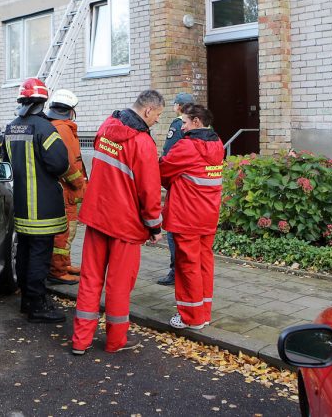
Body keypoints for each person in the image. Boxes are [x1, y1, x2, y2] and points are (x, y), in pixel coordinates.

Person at [72, 90, 166, 354]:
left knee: (90, 279)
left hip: (97, 216)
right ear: (148, 111)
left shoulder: (106, 126)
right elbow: (149, 190)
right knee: (119, 283)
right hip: (124, 223)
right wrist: (154, 227)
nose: (157, 121)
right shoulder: (143, 142)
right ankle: (115, 341)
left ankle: (80, 341)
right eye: (157, 115)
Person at [5, 78, 70, 323]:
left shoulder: (11, 127)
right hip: (42, 209)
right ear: (43, 101)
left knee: (23, 253)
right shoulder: (45, 129)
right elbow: (60, 164)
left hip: (20, 206)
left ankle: (26, 301)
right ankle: (37, 306)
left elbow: (5, 164)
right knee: (40, 257)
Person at [159, 104, 224, 330]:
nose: (182, 127)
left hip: (186, 216)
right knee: (205, 263)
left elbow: (163, 172)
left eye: (185, 122)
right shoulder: (216, 144)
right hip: (208, 216)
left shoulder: (186, 146)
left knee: (187, 266)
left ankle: (191, 317)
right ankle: (204, 313)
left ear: (196, 122)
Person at [45, 89, 88, 286]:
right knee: (65, 232)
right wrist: (80, 184)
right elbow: (68, 164)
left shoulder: (55, 126)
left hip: (62, 190)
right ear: (71, 110)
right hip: (66, 192)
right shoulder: (63, 129)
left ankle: (65, 264)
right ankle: (58, 271)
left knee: (68, 232)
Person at [157, 92, 195, 287]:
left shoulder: (178, 123)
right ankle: (189, 271)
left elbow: (169, 153)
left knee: (173, 230)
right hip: (197, 189)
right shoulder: (205, 126)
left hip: (179, 184)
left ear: (180, 106)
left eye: (174, 105)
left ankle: (176, 272)